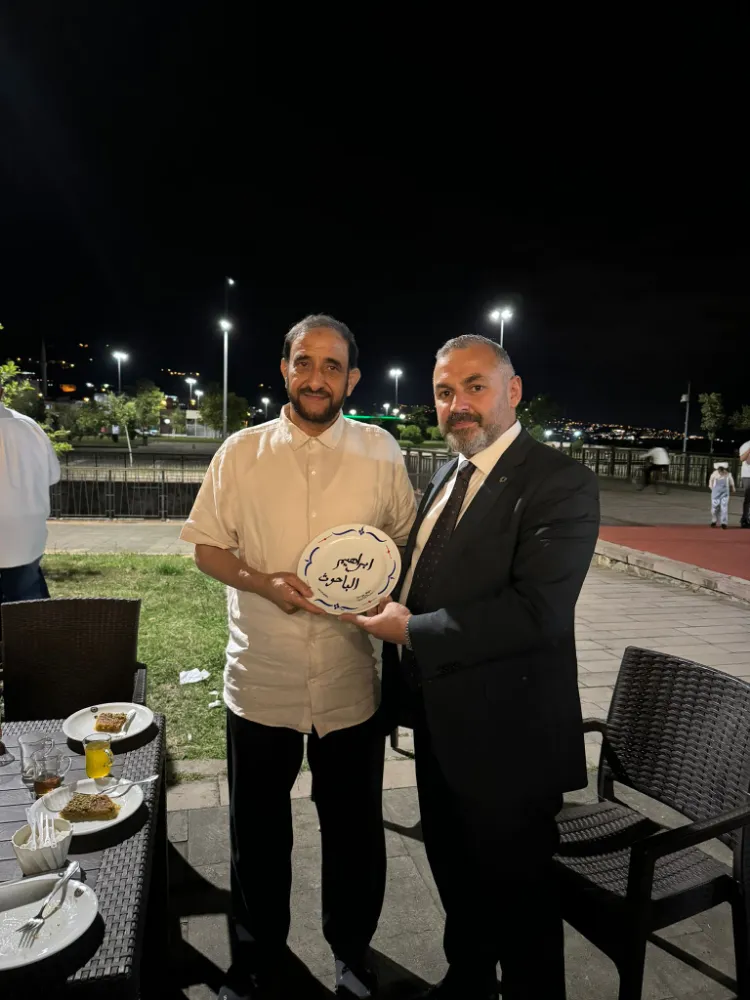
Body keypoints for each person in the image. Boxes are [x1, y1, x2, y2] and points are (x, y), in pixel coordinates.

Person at [343, 335, 600, 1000]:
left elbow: (538, 611)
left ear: (512, 391)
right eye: (444, 392)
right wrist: (379, 593)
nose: (457, 404)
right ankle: (467, 981)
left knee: (522, 905)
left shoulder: (559, 481)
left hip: (510, 738)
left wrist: (411, 629)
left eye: (474, 386)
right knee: (455, 874)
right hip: (441, 722)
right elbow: (433, 575)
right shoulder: (447, 472)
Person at [181, 315, 416, 1000]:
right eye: (305, 362)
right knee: (256, 834)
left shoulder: (381, 451)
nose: (317, 378)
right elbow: (206, 548)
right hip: (262, 677)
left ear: (353, 378)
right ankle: (259, 959)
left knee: (354, 831)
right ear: (285, 368)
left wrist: (381, 590)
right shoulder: (240, 453)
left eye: (332, 366)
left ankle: (352, 950)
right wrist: (261, 582)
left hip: (349, 680)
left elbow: (401, 542)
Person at [0, 385, 61, 605]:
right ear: (2, 392)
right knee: (28, 606)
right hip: (25, 535)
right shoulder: (29, 426)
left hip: (24, 535)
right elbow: (52, 475)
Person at [709, 462, 735, 529]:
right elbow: (710, 483)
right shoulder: (714, 474)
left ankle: (724, 523)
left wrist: (733, 488)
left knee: (724, 508)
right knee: (714, 508)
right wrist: (713, 489)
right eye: (719, 469)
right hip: (715, 494)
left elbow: (731, 483)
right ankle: (714, 520)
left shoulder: (728, 475)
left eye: (722, 469)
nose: (721, 471)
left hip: (724, 494)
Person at [740, 439, 750, 527]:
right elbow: (744, 459)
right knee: (748, 498)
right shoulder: (745, 445)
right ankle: (745, 519)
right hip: (748, 475)